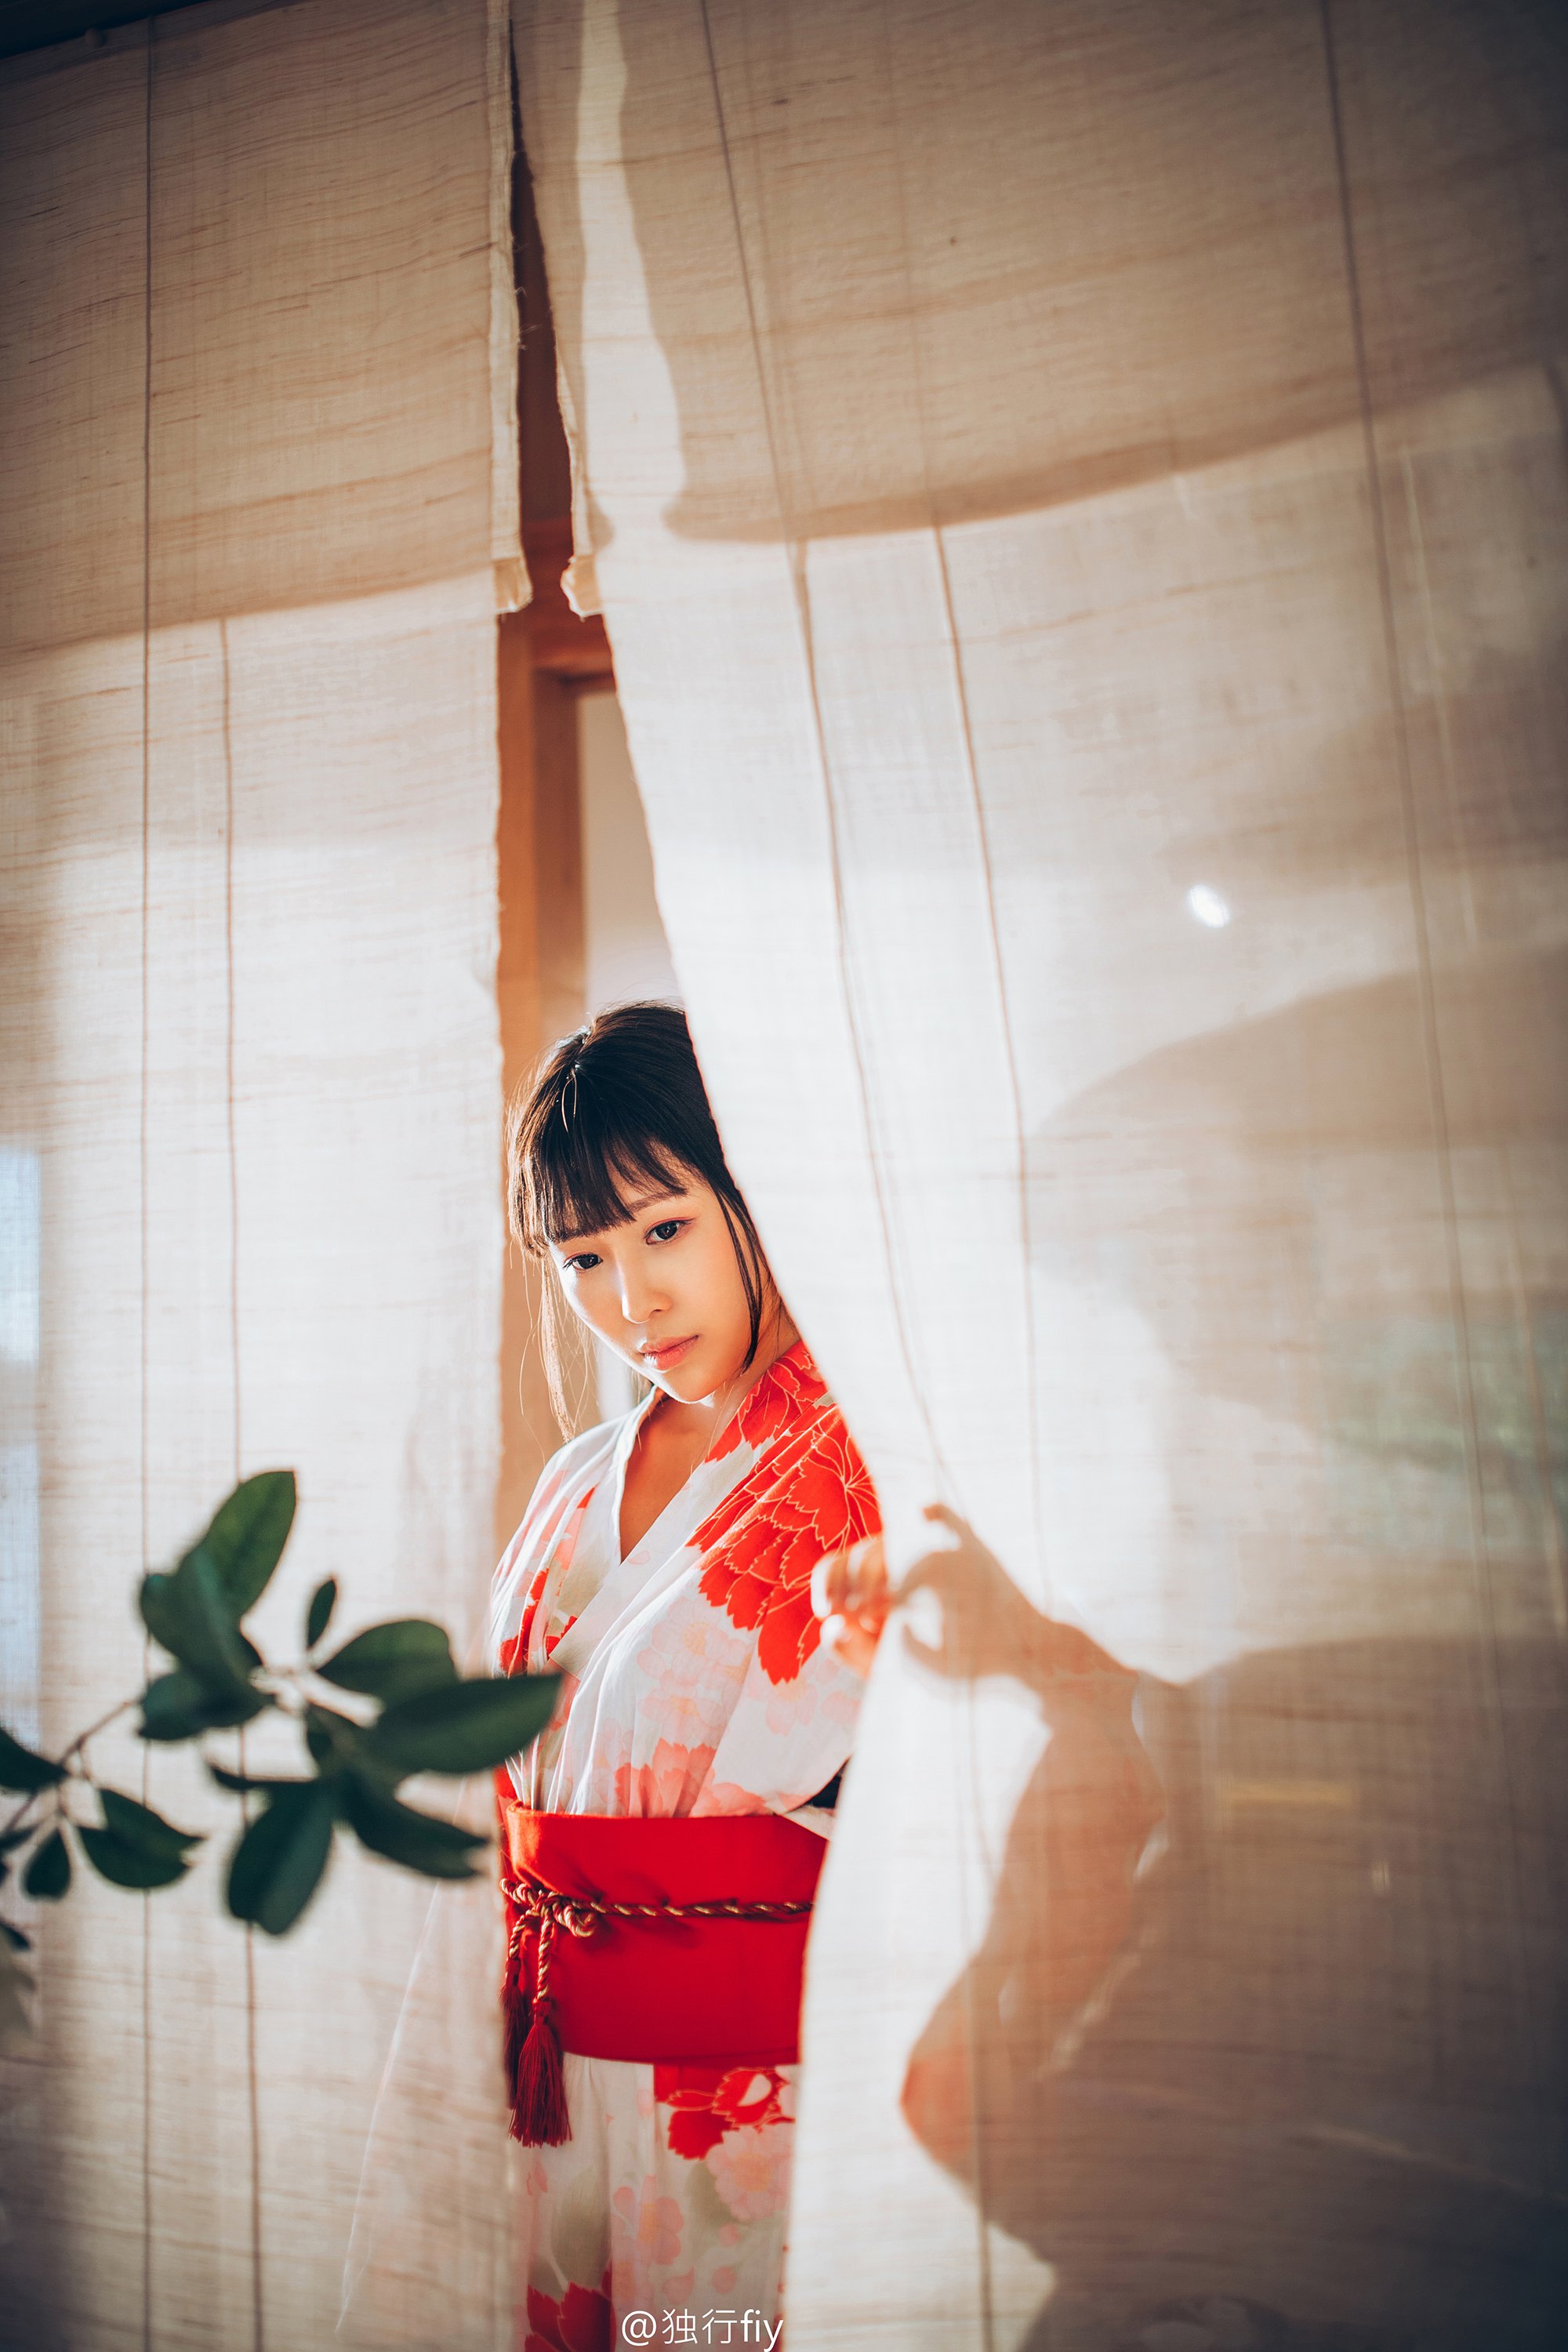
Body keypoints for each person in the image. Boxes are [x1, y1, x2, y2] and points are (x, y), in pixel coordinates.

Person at [492, 1002, 881, 2343]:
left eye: (665, 1229)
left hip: (752, 2084)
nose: (630, 1303)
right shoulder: (574, 1480)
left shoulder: (870, 1461)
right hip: (551, 2068)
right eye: (583, 1258)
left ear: (756, 1189)